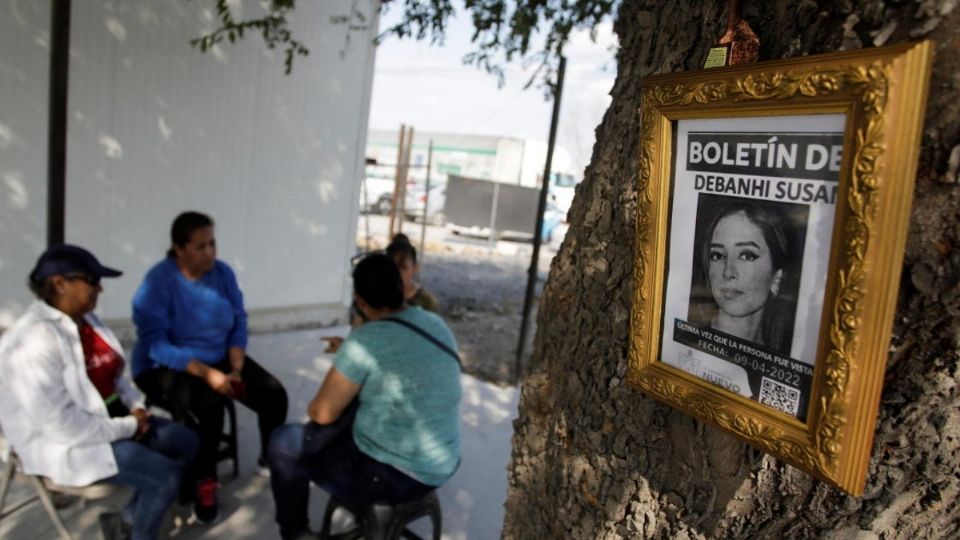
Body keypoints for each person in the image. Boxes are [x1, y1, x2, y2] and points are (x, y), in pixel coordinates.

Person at [0, 244, 199, 540]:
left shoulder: (86, 320)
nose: (100, 289)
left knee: (187, 441)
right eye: (91, 280)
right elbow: (62, 427)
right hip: (69, 443)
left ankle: (128, 521)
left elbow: (117, 375)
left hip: (112, 422)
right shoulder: (32, 342)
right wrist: (129, 426)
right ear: (59, 283)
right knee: (164, 476)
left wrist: (136, 407)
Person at [268, 253, 462, 540]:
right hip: (441, 465)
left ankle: (295, 532)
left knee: (284, 442)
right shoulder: (435, 323)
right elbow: (396, 351)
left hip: (394, 476)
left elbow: (322, 413)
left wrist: (356, 337)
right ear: (400, 286)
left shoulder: (365, 340)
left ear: (360, 301)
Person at [131, 211, 288, 523]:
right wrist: (208, 374)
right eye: (201, 246)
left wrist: (236, 368)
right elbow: (156, 345)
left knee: (273, 394)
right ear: (179, 249)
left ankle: (269, 459)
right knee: (209, 407)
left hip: (218, 356)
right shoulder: (158, 282)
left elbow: (239, 321)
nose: (211, 253)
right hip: (165, 363)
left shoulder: (223, 274)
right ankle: (204, 483)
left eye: (213, 244)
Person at [691, 202, 794, 354]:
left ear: (776, 277)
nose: (728, 272)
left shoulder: (782, 360)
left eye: (746, 255)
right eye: (718, 255)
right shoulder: (684, 343)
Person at [385, 233, 440, 312]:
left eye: (403, 267)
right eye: (392, 267)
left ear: (415, 268)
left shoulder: (428, 302)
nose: (396, 272)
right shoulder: (380, 296)